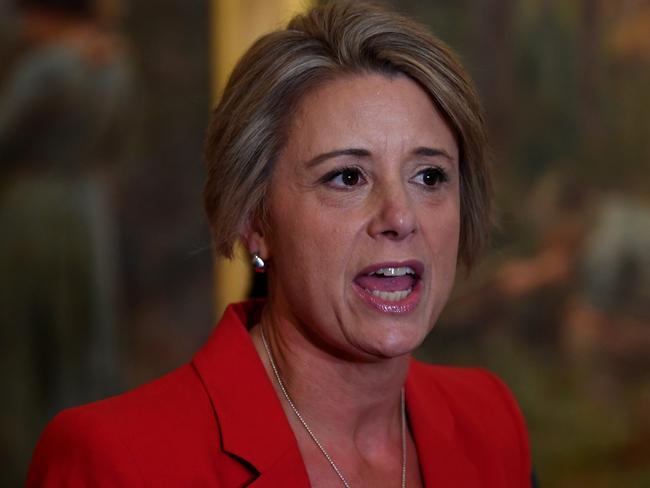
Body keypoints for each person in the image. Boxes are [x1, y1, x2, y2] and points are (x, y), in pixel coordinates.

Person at [27, 1, 532, 486]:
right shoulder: (113, 462)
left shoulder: (491, 421)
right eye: (347, 177)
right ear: (254, 220)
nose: (400, 217)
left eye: (429, 175)